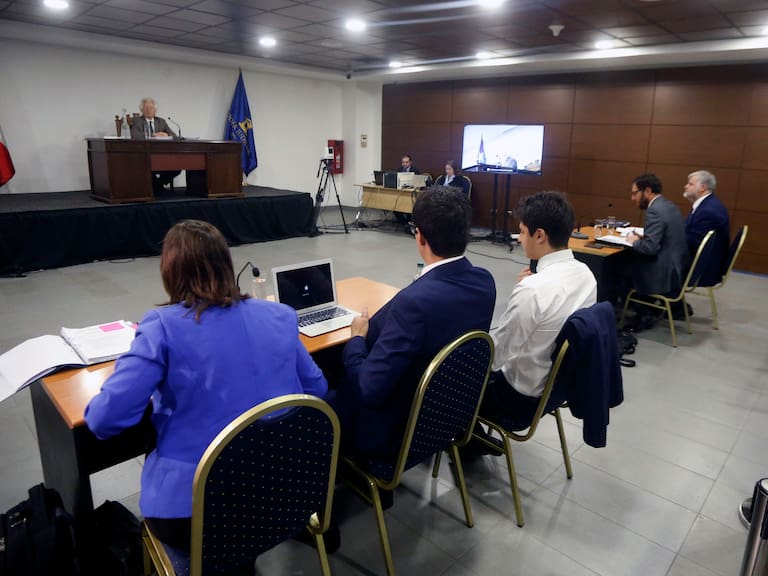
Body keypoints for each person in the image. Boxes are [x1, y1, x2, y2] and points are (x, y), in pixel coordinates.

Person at [85, 220, 327, 553]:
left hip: (196, 513)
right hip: (280, 491)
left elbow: (103, 420)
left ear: (171, 272)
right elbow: (318, 389)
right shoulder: (280, 315)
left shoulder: (162, 328)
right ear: (226, 264)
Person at [332, 186, 496, 462]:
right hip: (446, 417)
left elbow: (368, 390)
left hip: (396, 434)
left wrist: (357, 340)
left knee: (317, 405)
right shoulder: (484, 283)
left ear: (419, 235)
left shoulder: (414, 303)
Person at [480, 191, 596, 430]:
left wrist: (523, 291)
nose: (519, 238)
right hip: (557, 390)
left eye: (522, 232)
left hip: (518, 399)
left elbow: (496, 357)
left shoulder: (533, 291)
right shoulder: (587, 276)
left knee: (446, 382)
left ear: (540, 235)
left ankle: (465, 446)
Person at [626, 173, 690, 297]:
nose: (632, 198)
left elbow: (649, 248)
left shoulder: (654, 210)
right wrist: (643, 238)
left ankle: (638, 307)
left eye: (635, 193)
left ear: (648, 191)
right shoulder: (669, 205)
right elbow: (666, 237)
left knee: (615, 268)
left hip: (661, 275)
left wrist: (634, 241)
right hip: (675, 268)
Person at [683, 170, 730, 287]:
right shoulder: (708, 204)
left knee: (650, 260)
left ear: (702, 188)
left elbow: (692, 244)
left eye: (690, 184)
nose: (686, 186)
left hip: (702, 270)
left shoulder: (708, 211)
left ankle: (666, 300)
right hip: (705, 263)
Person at [130, 97, 180, 194]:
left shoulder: (161, 121)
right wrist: (152, 135)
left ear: (155, 110)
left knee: (177, 167)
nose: (148, 110)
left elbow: (174, 136)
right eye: (146, 108)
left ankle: (158, 185)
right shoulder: (137, 121)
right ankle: (157, 187)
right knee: (146, 167)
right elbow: (135, 136)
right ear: (141, 110)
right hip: (144, 155)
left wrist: (166, 134)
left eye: (151, 108)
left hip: (161, 154)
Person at [394, 154, 419, 225]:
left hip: (410, 193)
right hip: (400, 192)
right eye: (403, 162)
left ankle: (408, 222)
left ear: (410, 162)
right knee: (395, 205)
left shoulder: (415, 170)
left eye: (406, 162)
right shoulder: (399, 169)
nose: (404, 164)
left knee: (409, 207)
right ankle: (402, 222)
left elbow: (417, 182)